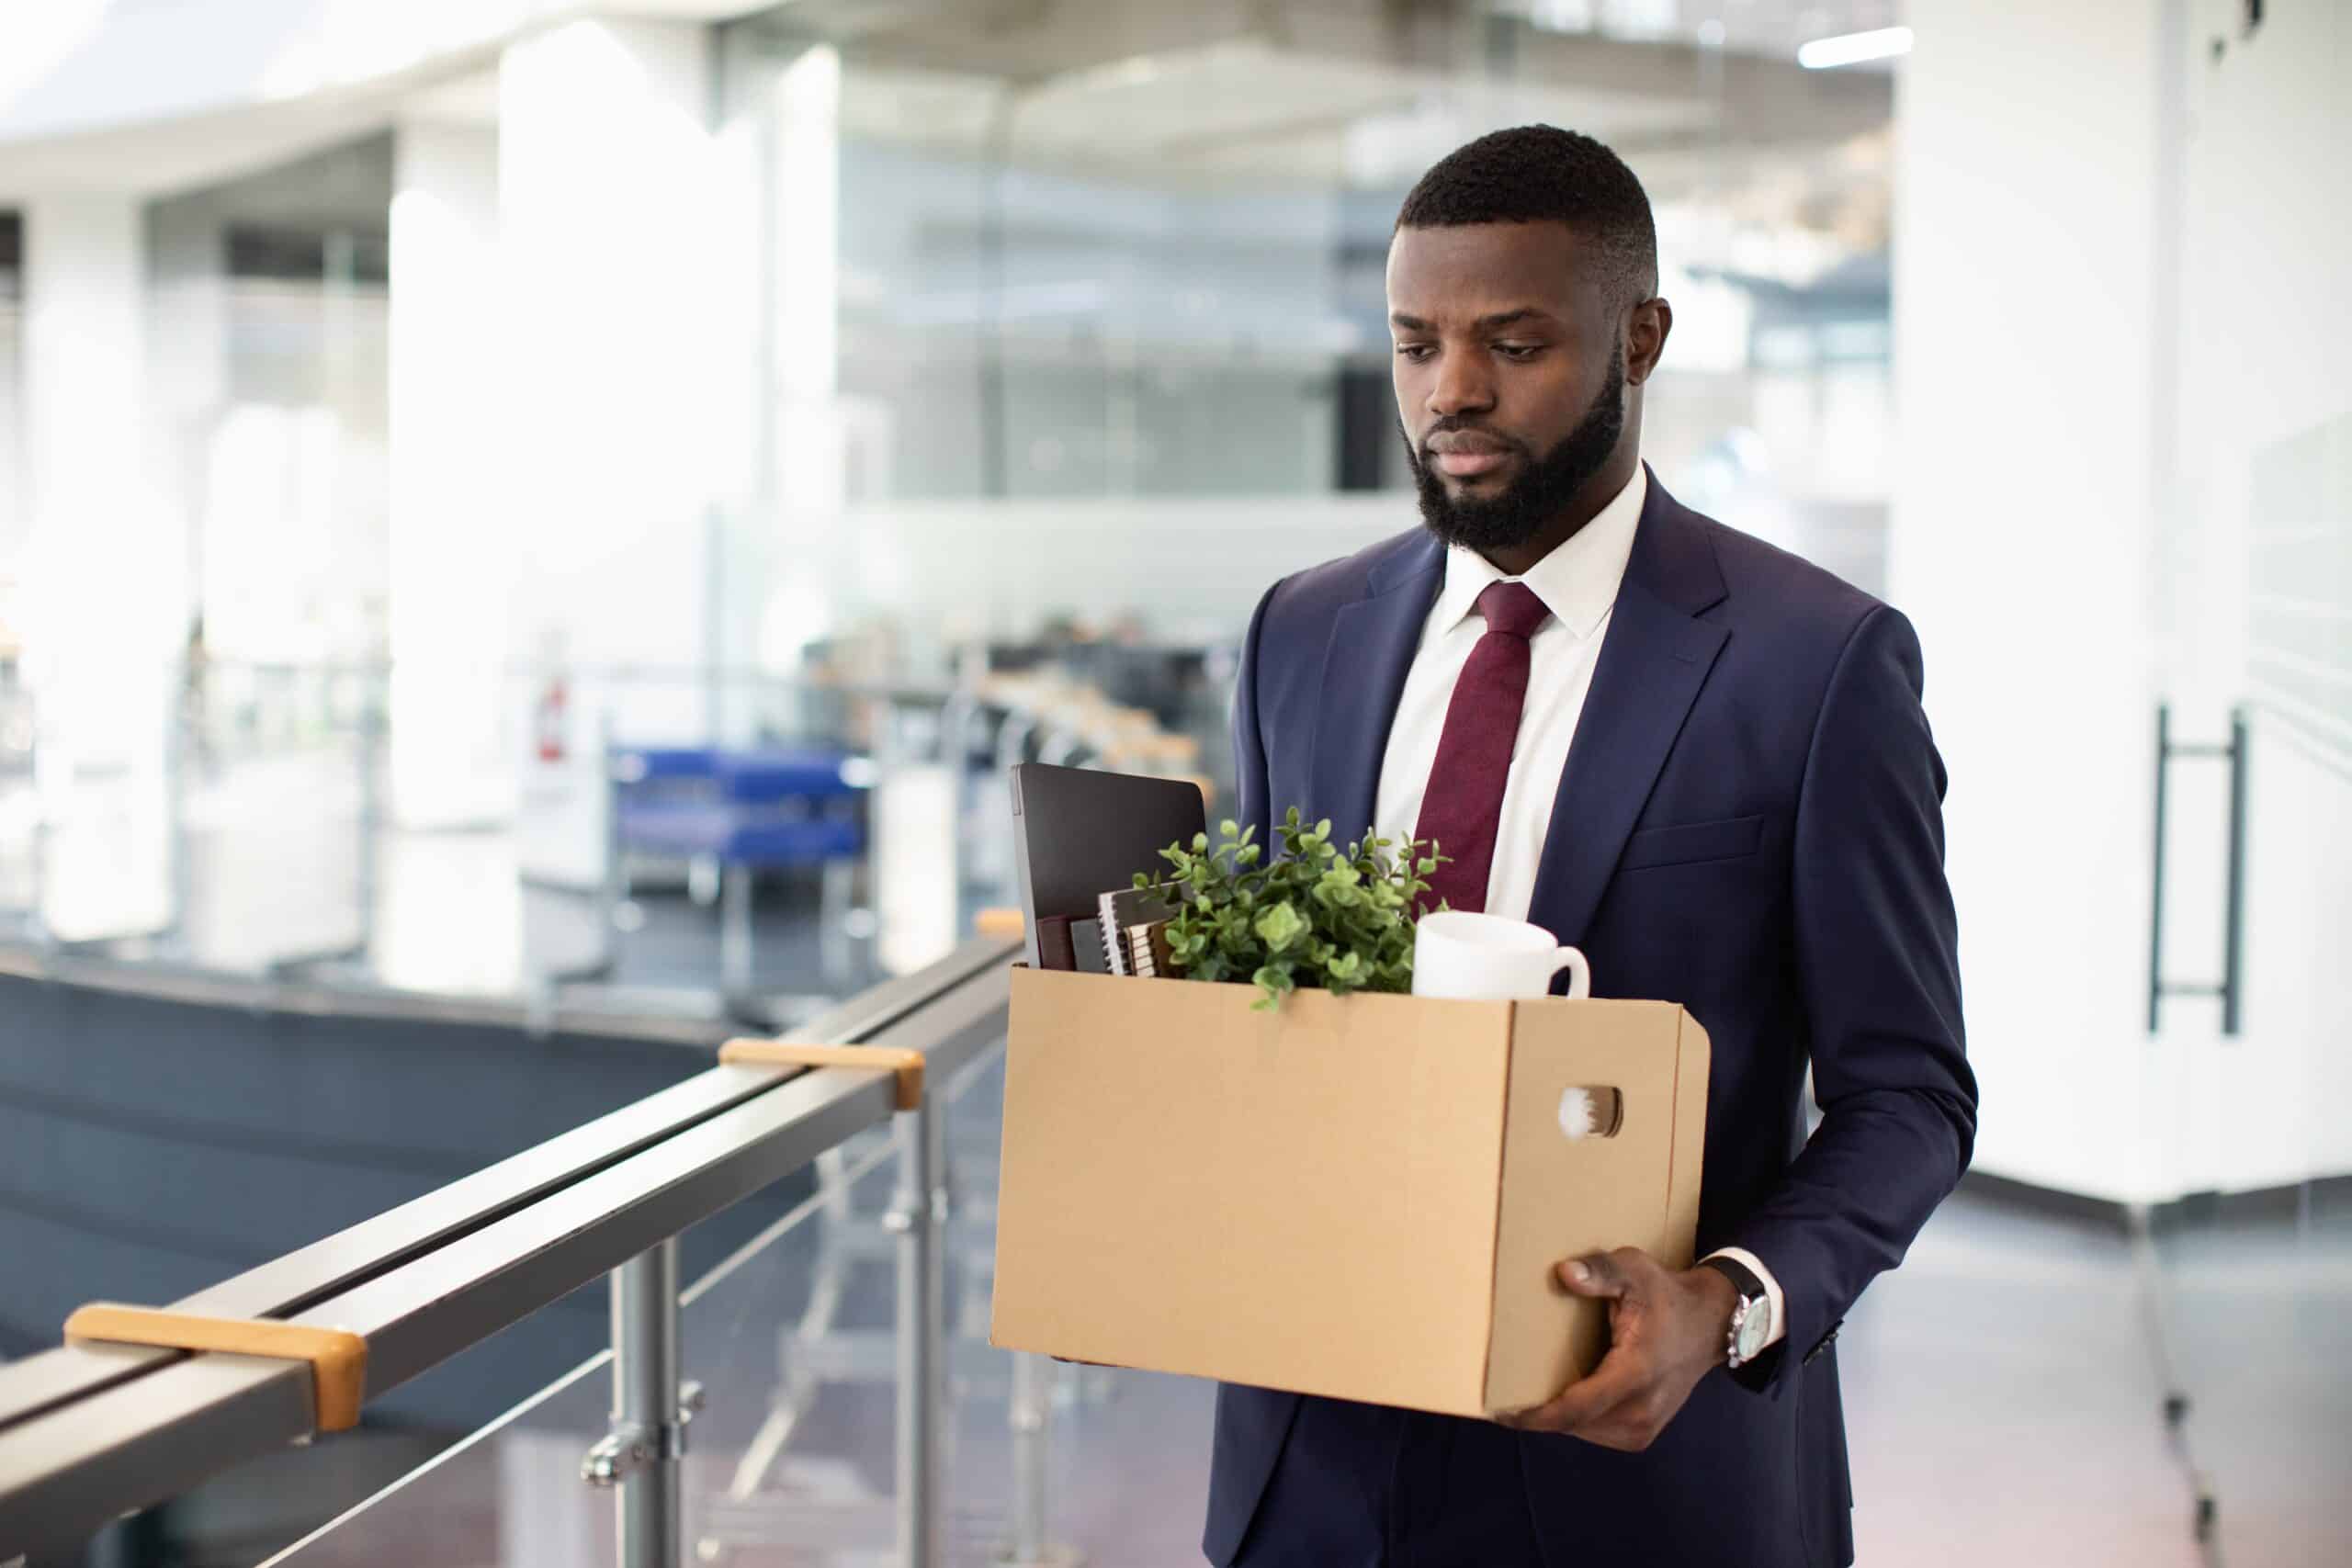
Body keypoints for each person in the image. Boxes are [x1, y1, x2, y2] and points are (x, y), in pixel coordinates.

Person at [1210, 125, 1978, 1568]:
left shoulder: (1816, 665)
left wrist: (1730, 1300)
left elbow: (1910, 1096)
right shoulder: (1294, 635)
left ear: (1641, 338)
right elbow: (1261, 1017)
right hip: (1310, 1472)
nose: (1453, 394)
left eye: (1513, 343)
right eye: (1415, 344)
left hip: (1648, 1479)